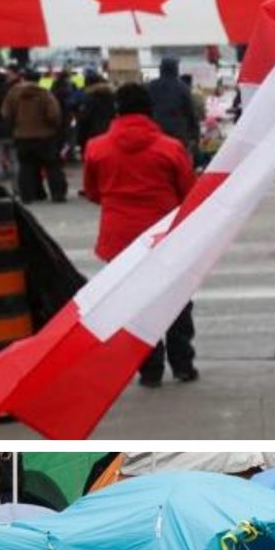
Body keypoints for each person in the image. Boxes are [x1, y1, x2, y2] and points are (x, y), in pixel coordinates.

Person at [81, 83, 198, 386]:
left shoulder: (96, 147)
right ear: (150, 110)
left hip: (119, 239)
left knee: (133, 304)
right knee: (174, 299)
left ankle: (149, 369)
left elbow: (93, 192)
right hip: (165, 237)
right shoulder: (171, 147)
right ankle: (182, 363)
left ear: (117, 109)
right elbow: (188, 193)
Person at [2, 68, 67, 202]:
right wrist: (52, 126)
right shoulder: (44, 94)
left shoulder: (13, 94)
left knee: (26, 166)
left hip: (22, 136)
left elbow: (5, 114)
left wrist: (15, 126)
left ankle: (27, 195)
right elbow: (54, 114)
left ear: (23, 78)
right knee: (52, 166)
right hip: (45, 136)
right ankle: (57, 194)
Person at [147, 56, 199, 157]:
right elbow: (190, 113)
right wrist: (195, 135)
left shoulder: (150, 86)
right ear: (175, 69)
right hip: (178, 134)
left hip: (155, 133)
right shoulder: (183, 87)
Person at [76, 69, 117, 158]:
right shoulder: (112, 96)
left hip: (92, 134)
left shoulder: (89, 98)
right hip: (109, 132)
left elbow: (85, 117)